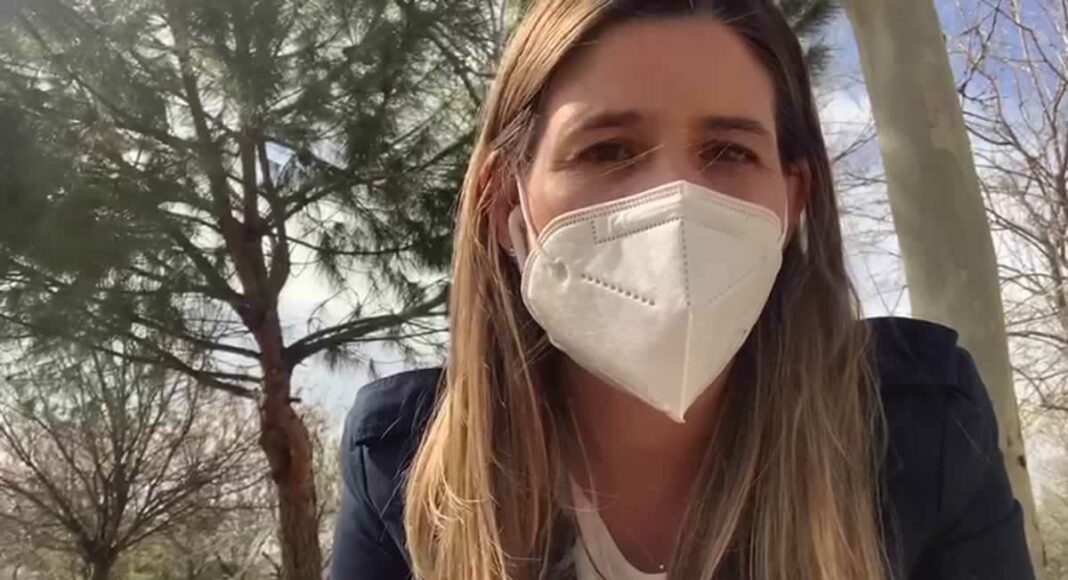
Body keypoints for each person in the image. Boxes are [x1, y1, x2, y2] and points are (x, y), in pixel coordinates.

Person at [330, 1, 1036, 578]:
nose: (675, 203)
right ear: (504, 202)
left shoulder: (918, 428)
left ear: (792, 201)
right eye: (608, 150)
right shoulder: (400, 462)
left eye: (729, 152)